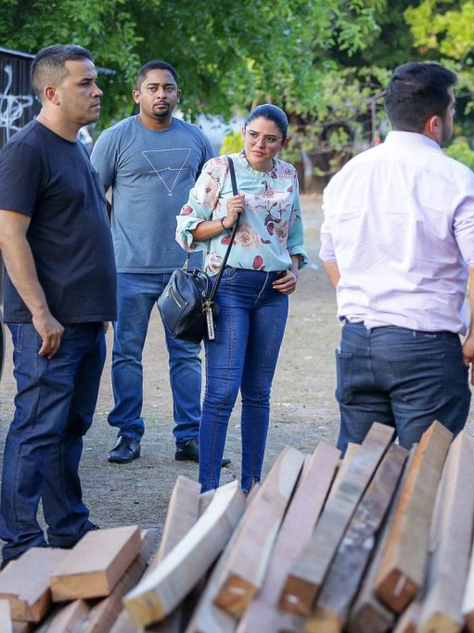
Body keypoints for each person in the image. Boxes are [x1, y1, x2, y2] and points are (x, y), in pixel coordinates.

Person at [320, 62, 474, 450]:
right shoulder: (453, 177)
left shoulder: (348, 176)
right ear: (435, 122)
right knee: (427, 475)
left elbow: (330, 258)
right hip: (426, 349)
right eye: (452, 109)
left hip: (358, 341)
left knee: (359, 476)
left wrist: (364, 303)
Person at [0, 45, 116, 564]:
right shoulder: (28, 150)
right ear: (52, 92)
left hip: (87, 319)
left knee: (70, 427)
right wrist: (41, 314)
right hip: (48, 324)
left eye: (94, 82)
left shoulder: (77, 146)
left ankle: (68, 526)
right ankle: (20, 542)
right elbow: (9, 235)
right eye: (84, 83)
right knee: (37, 426)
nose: (96, 91)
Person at [176, 104, 308, 493]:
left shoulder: (288, 174)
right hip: (228, 288)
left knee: (258, 392)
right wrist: (223, 222)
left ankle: (251, 483)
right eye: (253, 135)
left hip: (273, 292)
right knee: (221, 391)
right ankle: (209, 488)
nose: (259, 144)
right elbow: (185, 226)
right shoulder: (220, 169)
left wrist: (295, 271)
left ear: (283, 142)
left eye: (270, 139)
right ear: (244, 133)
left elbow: (295, 233)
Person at [90, 61, 215, 465]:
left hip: (185, 270)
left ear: (178, 94)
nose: (161, 94)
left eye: (169, 88)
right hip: (128, 268)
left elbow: (211, 201)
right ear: (137, 95)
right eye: (153, 88)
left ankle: (189, 438)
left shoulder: (196, 139)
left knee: (186, 355)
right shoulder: (115, 138)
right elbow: (93, 198)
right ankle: (128, 434)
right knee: (127, 353)